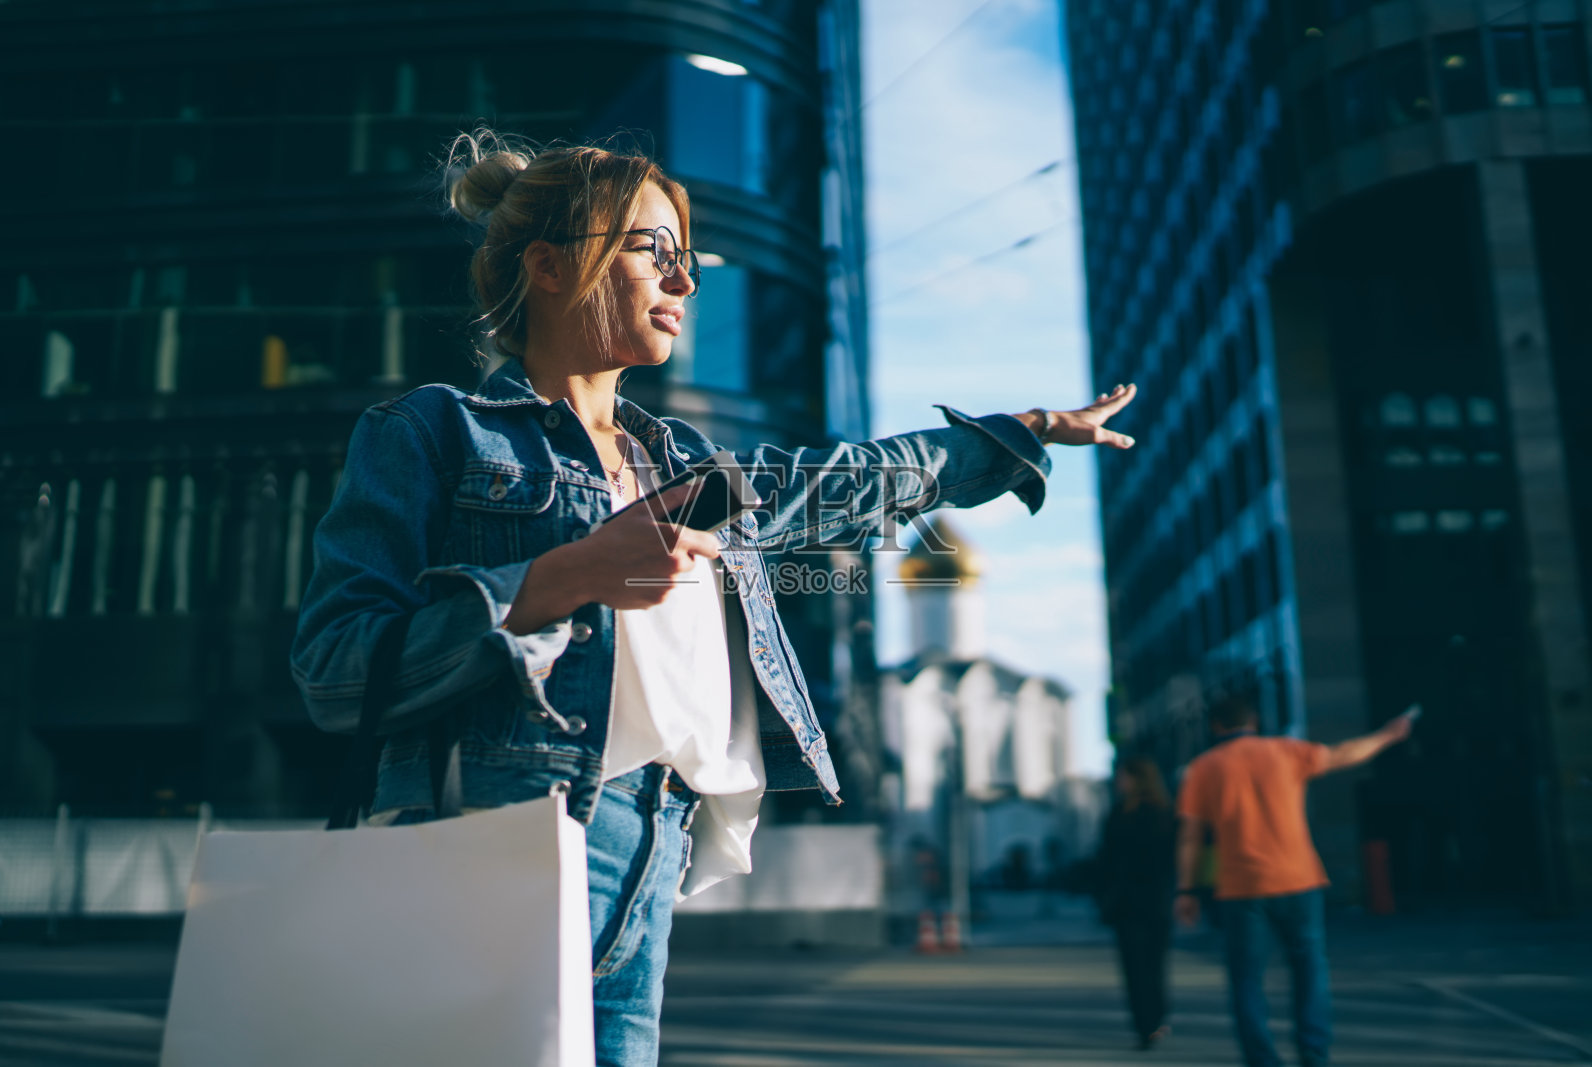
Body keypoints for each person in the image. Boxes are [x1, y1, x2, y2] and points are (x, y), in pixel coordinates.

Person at [290, 131, 1139, 1067]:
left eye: (688, 260)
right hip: (507, 835)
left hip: (658, 833)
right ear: (549, 263)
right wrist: (561, 576)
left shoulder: (682, 464)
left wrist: (1018, 434)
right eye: (656, 252)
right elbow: (335, 669)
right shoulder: (434, 433)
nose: (687, 283)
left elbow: (848, 481)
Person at [1174, 696, 1415, 1067]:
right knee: (1308, 968)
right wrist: (1387, 735)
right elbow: (1344, 754)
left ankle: (1262, 1059)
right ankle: (1313, 1052)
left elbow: (1190, 837)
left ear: (1215, 727)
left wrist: (1186, 890)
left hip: (1241, 887)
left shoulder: (1202, 769)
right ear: (1253, 721)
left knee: (1246, 980)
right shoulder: (1286, 752)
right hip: (1298, 878)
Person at [1093, 755, 1176, 1051]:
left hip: (1139, 900)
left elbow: (1106, 859)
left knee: (1144, 966)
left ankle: (1150, 1023)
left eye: (1123, 776)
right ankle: (1149, 1023)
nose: (1119, 782)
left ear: (1137, 779)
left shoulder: (1133, 814)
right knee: (1145, 965)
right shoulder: (1159, 812)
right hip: (1143, 901)